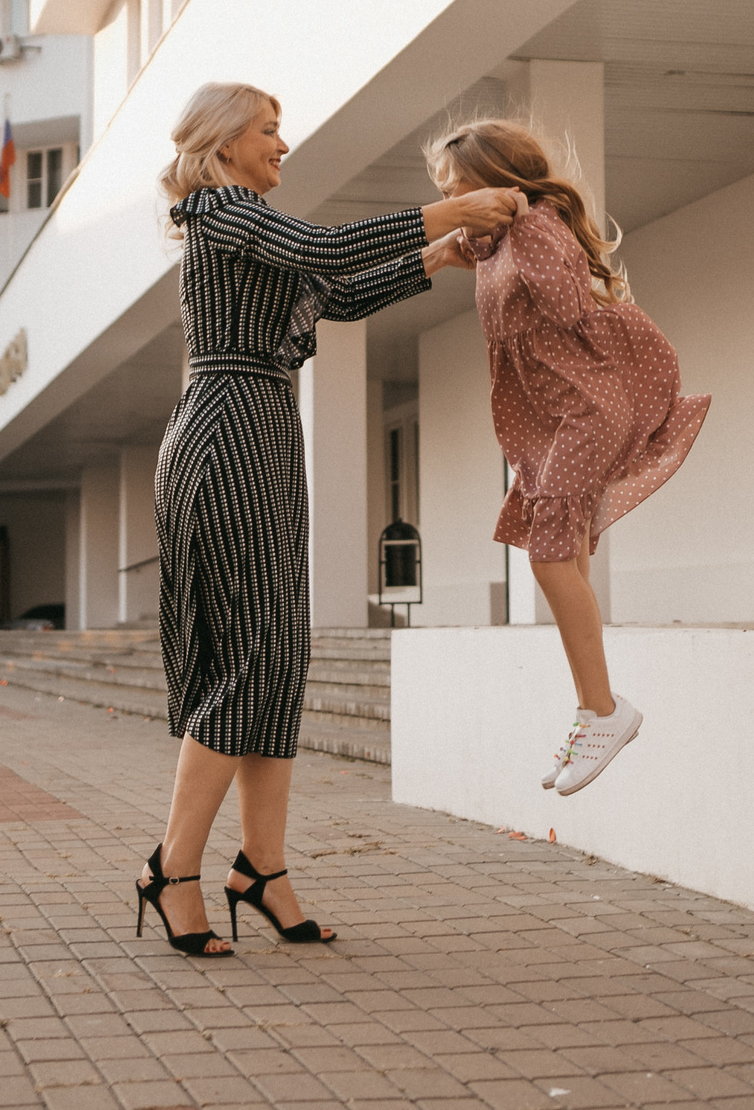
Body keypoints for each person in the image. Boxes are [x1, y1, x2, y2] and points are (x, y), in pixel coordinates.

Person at [137, 82, 525, 958]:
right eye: (269, 130)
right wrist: (446, 211)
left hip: (265, 427)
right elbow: (326, 245)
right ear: (224, 142)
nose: (284, 144)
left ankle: (262, 870)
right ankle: (173, 869)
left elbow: (333, 294)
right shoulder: (222, 210)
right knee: (244, 660)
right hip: (226, 425)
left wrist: (436, 257)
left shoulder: (250, 225)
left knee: (278, 657)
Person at [424, 118, 709, 796]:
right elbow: (471, 250)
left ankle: (605, 710)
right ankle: (593, 710)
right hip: (558, 414)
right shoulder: (497, 237)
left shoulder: (535, 229)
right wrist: (443, 250)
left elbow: (567, 300)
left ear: (497, 182)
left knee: (550, 553)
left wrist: (523, 227)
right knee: (563, 550)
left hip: (585, 405)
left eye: (458, 188)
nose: (453, 200)